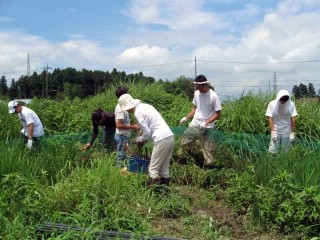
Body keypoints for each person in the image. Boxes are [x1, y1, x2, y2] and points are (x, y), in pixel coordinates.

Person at [118, 93, 174, 188]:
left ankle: (153, 194)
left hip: (161, 138)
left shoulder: (137, 112)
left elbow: (147, 132)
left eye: (126, 109)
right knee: (164, 169)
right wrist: (143, 138)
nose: (128, 111)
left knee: (153, 169)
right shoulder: (146, 106)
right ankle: (165, 193)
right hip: (169, 136)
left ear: (129, 106)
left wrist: (140, 139)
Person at [179, 74, 222, 166]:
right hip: (195, 124)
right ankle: (181, 161)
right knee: (184, 143)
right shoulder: (197, 93)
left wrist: (206, 123)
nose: (198, 89)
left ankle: (209, 168)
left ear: (205, 85)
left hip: (207, 127)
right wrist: (186, 118)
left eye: (199, 87)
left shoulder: (214, 96)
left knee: (208, 150)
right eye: (197, 87)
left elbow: (218, 114)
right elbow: (195, 108)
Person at [265, 89, 298, 154]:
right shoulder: (272, 104)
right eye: (281, 99)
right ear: (278, 97)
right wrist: (273, 131)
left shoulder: (291, 104)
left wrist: (292, 133)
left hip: (287, 131)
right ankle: (272, 163)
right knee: (272, 152)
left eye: (285, 100)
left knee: (286, 152)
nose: (283, 101)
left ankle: (285, 163)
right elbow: (270, 117)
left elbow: (293, 118)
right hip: (276, 131)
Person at [114, 87, 139, 166]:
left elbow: (124, 122)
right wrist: (132, 127)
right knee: (121, 156)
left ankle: (125, 170)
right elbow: (118, 125)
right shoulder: (120, 108)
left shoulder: (124, 106)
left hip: (124, 136)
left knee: (127, 154)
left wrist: (132, 125)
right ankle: (117, 173)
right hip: (122, 136)